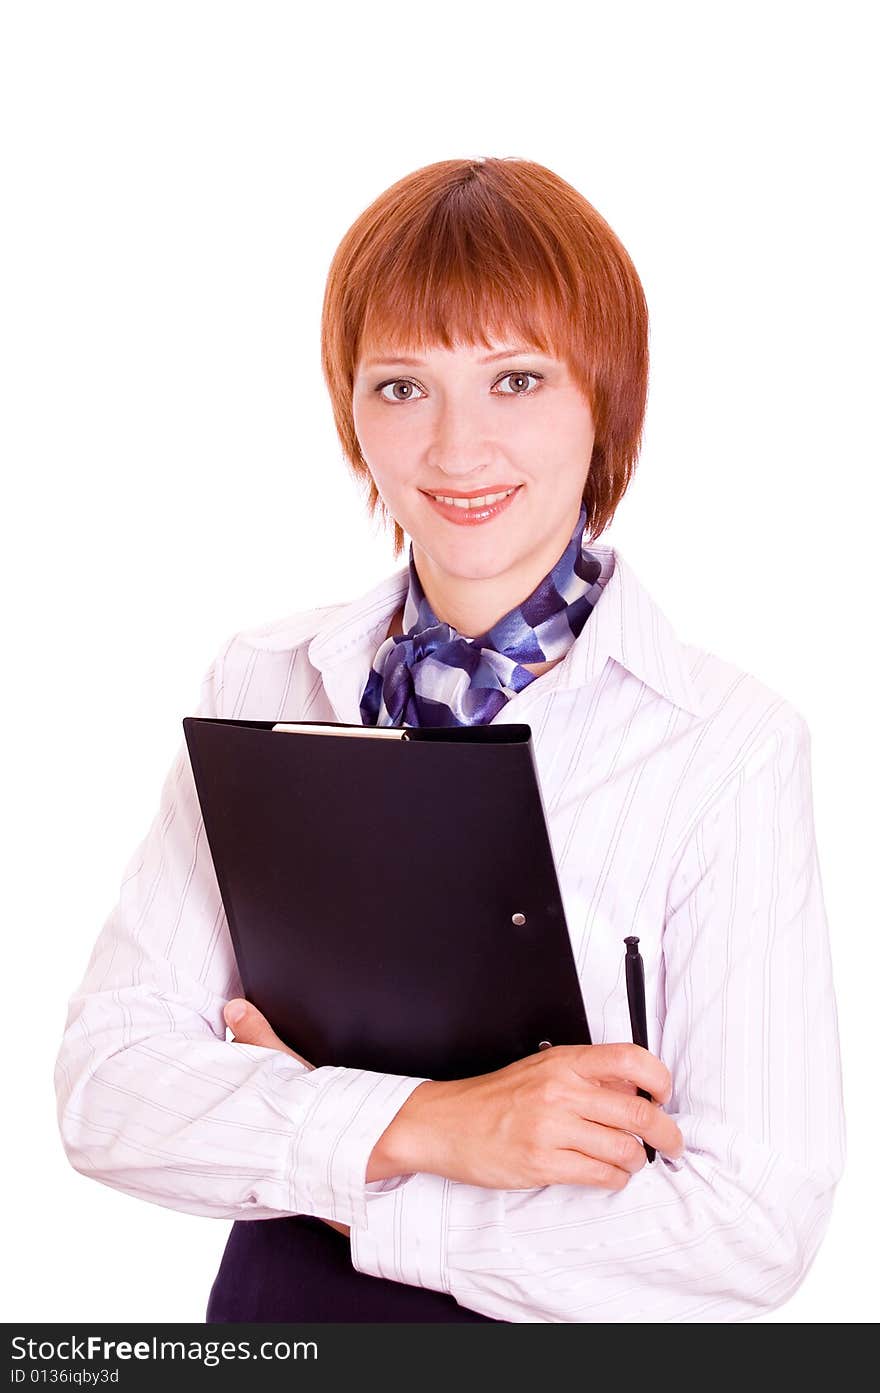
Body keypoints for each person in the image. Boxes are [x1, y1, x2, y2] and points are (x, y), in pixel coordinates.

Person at [53, 156, 846, 1323]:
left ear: (605, 400)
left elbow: (748, 1230)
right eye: (402, 387)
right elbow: (107, 1093)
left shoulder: (723, 743)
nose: (457, 449)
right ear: (350, 409)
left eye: (516, 379)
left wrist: (342, 1171)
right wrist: (444, 1125)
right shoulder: (267, 677)